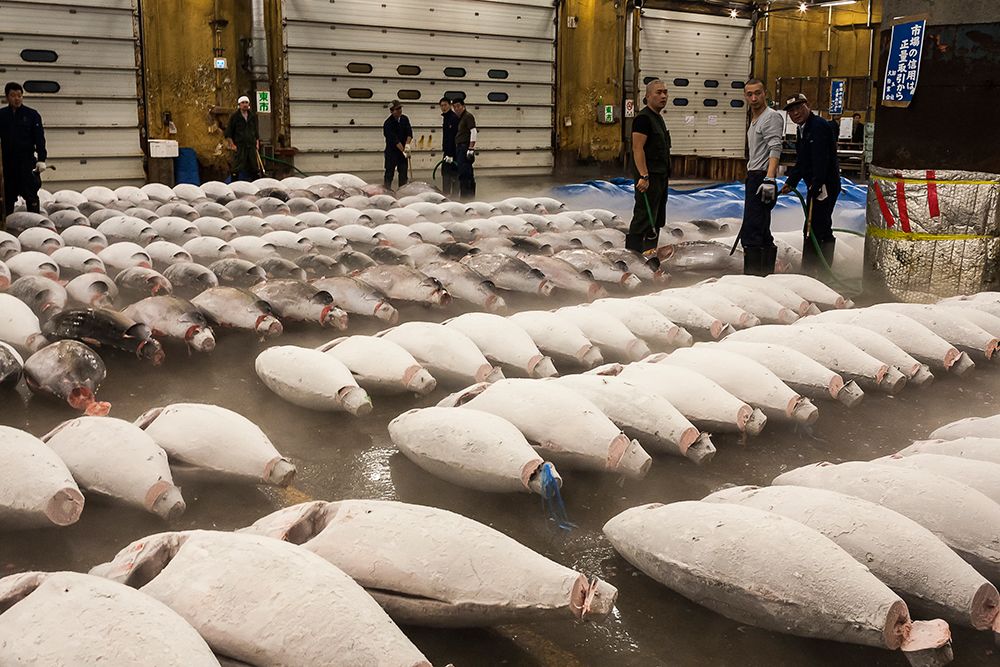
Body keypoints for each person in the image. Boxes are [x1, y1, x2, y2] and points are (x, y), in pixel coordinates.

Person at [780, 93, 841, 276]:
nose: (795, 113)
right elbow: (803, 161)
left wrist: (817, 184)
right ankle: (817, 268)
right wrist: (791, 182)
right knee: (817, 225)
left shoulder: (819, 126)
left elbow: (822, 159)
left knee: (815, 227)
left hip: (825, 186)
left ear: (808, 105)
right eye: (791, 111)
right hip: (815, 184)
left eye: (799, 108)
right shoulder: (803, 128)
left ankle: (816, 270)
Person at [738, 79, 784, 275]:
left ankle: (754, 279)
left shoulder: (770, 117)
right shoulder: (756, 119)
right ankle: (765, 275)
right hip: (755, 176)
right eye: (750, 94)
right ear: (745, 96)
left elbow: (775, 147)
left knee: (752, 231)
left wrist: (769, 179)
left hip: (761, 178)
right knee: (761, 229)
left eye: (758, 93)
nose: (754, 98)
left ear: (766, 93)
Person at [627, 79, 671, 253]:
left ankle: (649, 255)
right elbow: (637, 148)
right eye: (658, 92)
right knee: (643, 218)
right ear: (647, 96)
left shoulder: (658, 118)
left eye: (665, 92)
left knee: (656, 218)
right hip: (649, 178)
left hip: (660, 177)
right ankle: (632, 257)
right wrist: (643, 176)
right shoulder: (643, 119)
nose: (663, 96)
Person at [0, 82, 47, 218]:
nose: (17, 99)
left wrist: (41, 159)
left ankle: (35, 223)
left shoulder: (32, 115)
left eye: (20, 96)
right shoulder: (2, 115)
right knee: (7, 195)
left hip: (26, 162)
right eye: (13, 95)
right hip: (8, 163)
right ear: (7, 97)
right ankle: (6, 224)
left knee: (31, 194)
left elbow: (39, 138)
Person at [224, 95, 260, 182]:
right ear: (239, 105)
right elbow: (229, 132)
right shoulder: (235, 117)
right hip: (240, 145)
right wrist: (232, 144)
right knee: (237, 166)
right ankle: (234, 183)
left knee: (254, 166)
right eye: (243, 103)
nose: (245, 105)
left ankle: (255, 183)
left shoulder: (252, 116)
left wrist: (257, 143)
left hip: (251, 145)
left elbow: (256, 131)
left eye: (246, 103)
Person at [383, 100, 413, 190]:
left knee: (403, 174)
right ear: (391, 111)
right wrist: (404, 150)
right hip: (392, 153)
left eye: (400, 108)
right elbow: (394, 140)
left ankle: (402, 192)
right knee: (389, 174)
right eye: (397, 109)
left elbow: (409, 133)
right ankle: (387, 192)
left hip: (402, 153)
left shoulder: (404, 119)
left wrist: (407, 145)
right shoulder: (388, 123)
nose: (400, 110)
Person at [452, 98, 477, 199]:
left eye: (458, 106)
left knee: (465, 173)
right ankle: (467, 196)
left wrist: (471, 148)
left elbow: (473, 131)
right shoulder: (461, 118)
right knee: (463, 173)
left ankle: (467, 198)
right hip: (460, 148)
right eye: (454, 107)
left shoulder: (467, 116)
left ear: (463, 106)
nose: (456, 109)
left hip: (464, 147)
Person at [439, 97, 459, 196]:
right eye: (442, 106)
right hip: (447, 152)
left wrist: (451, 154)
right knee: (446, 174)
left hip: (453, 153)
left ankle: (454, 196)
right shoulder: (446, 118)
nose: (443, 107)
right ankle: (446, 194)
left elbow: (453, 137)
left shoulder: (453, 118)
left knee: (453, 175)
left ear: (450, 105)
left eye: (445, 105)